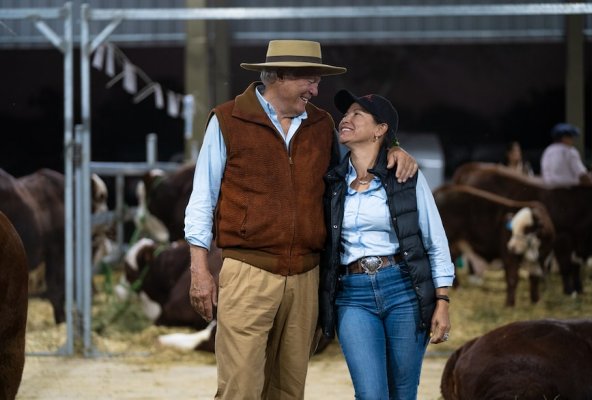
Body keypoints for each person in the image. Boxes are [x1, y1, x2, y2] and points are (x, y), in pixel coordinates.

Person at [184, 40, 418, 399]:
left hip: (307, 277)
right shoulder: (228, 120)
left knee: (289, 390)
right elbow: (202, 200)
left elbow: (363, 156)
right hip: (248, 273)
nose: (315, 90)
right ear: (279, 76)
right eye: (309, 80)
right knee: (241, 388)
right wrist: (200, 271)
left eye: (318, 82)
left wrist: (396, 145)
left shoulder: (322, 125)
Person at [319, 90, 455, 400]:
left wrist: (443, 300)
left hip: (403, 290)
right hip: (352, 295)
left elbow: (435, 241)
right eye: (345, 114)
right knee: (370, 394)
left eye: (358, 115)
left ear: (381, 129)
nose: (346, 119)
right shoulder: (332, 181)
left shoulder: (405, 176)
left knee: (403, 393)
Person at [541, 123, 592, 187]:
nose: (572, 140)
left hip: (549, 187)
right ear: (564, 138)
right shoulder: (570, 151)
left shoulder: (548, 150)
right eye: (571, 137)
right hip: (568, 190)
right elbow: (581, 174)